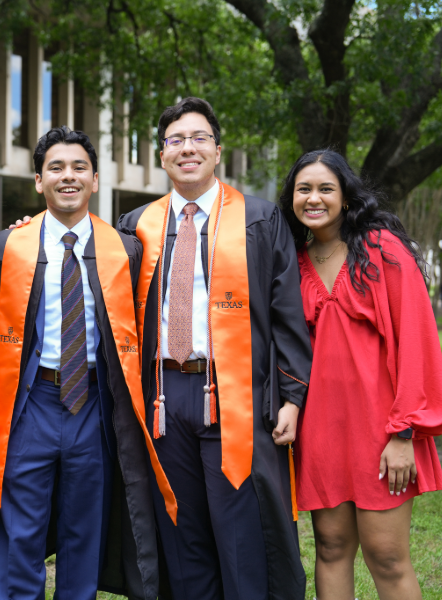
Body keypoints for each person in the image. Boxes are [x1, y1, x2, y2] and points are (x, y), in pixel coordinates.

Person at [117, 97, 312, 600]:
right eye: (175, 140)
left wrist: (292, 396)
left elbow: (287, 313)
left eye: (199, 138)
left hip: (234, 393)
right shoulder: (136, 225)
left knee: (239, 525)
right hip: (163, 396)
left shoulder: (260, 219)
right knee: (181, 530)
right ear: (162, 155)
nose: (188, 148)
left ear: (218, 150)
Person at [0, 126, 171, 600]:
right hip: (31, 401)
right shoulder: (4, 249)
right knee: (21, 529)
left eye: (78, 168)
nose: (68, 177)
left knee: (83, 530)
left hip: (93, 402)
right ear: (38, 181)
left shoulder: (126, 251)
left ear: (93, 179)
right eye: (56, 168)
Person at [280, 149, 442, 600]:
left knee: (387, 556)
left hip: (382, 428)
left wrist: (404, 433)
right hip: (321, 429)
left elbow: (418, 342)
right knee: (331, 548)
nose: (313, 198)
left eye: (325, 189)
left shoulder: (381, 250)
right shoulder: (291, 261)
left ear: (347, 197)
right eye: (304, 189)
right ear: (292, 199)